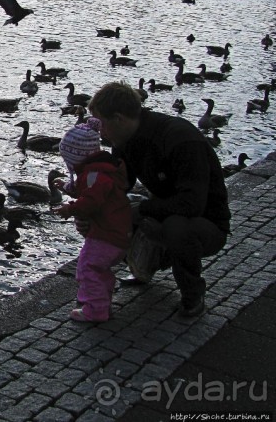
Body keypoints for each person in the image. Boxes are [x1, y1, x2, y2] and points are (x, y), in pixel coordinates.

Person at [88, 82, 230, 317]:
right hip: (165, 210)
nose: (100, 132)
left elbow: (192, 204)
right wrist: (91, 205)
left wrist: (142, 210)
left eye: (101, 124)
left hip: (205, 222)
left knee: (176, 227)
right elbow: (119, 186)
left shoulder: (180, 139)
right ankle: (141, 266)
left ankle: (193, 294)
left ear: (119, 119)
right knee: (104, 211)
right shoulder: (123, 140)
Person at [55, 117, 133, 322]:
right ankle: (101, 301)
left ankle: (95, 310)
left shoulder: (94, 175)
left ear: (77, 157)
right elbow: (89, 189)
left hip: (107, 233)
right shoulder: (99, 171)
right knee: (100, 269)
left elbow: (91, 201)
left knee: (87, 268)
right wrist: (67, 187)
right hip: (118, 230)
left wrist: (69, 209)